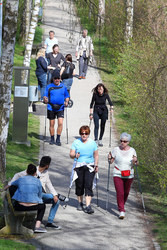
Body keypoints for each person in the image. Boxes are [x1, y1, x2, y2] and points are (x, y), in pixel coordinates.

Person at [7, 156, 61, 229]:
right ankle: (38, 225)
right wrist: (11, 183)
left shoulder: (46, 173)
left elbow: (49, 184)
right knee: (48, 197)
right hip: (36, 196)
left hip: (41, 196)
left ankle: (49, 222)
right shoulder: (32, 170)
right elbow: (18, 175)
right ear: (47, 165)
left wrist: (55, 195)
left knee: (57, 200)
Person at [108, 132, 138, 219]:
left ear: (128, 142)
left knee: (126, 192)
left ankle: (121, 205)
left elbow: (136, 163)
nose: (122, 143)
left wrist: (135, 161)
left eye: (125, 141)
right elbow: (111, 162)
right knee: (120, 192)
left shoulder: (132, 150)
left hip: (129, 174)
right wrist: (109, 158)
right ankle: (122, 210)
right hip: (118, 173)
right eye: (121, 141)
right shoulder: (116, 149)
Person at [70, 125, 98, 214]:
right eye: (82, 133)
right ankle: (80, 203)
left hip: (90, 166)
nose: (84, 135)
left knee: (88, 185)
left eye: (86, 133)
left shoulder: (93, 143)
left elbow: (96, 155)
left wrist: (96, 165)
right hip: (78, 166)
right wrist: (75, 155)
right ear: (80, 134)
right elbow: (71, 155)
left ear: (88, 134)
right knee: (79, 185)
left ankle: (88, 205)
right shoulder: (76, 142)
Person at [11, 164, 47, 233]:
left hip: (20, 206)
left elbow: (12, 185)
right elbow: (40, 195)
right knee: (43, 206)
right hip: (34, 206)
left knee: (14, 189)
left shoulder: (20, 179)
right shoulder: (38, 181)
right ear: (35, 173)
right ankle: (37, 227)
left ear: (27, 171)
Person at [43, 70, 69, 146]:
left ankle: (58, 139)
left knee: (60, 123)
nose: (57, 80)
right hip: (51, 107)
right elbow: (45, 95)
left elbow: (67, 96)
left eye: (58, 78)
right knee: (52, 124)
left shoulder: (63, 86)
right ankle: (52, 138)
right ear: (53, 79)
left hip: (61, 107)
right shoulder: (49, 86)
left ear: (60, 78)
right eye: (55, 78)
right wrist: (45, 99)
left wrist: (66, 101)